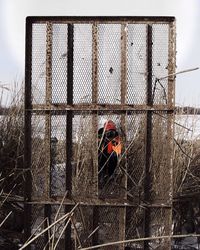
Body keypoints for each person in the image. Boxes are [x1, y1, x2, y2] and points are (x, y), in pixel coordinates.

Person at [98, 120, 122, 188]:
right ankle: (101, 178)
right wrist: (103, 140)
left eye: (112, 131)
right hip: (102, 155)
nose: (111, 133)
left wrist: (114, 142)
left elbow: (118, 150)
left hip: (111, 155)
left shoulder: (116, 135)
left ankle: (111, 176)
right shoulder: (100, 133)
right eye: (109, 131)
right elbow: (98, 146)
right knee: (100, 158)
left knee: (114, 157)